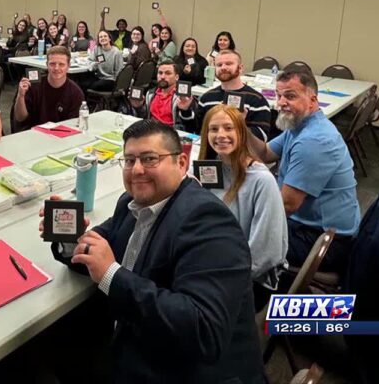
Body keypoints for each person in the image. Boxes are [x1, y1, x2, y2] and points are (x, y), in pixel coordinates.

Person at [43, 119, 265, 383]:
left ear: (181, 163)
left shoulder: (208, 221)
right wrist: (72, 238)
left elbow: (203, 333)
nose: (136, 169)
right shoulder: (132, 203)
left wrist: (111, 274)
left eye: (150, 159)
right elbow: (102, 246)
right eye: (129, 160)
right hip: (143, 338)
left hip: (185, 370)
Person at [247, 68, 360, 274]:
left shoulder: (314, 140)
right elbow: (264, 153)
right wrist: (241, 128)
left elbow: (286, 205)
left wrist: (243, 210)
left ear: (312, 100)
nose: (280, 103)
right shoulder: (299, 126)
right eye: (279, 95)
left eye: (290, 96)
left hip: (324, 241)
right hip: (309, 226)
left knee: (233, 237)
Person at [198, 105, 288, 310]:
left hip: (248, 279)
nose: (221, 135)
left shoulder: (261, 180)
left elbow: (265, 253)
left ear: (241, 132)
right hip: (215, 260)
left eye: (229, 128)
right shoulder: (209, 169)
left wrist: (220, 277)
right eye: (214, 129)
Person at [177, 50, 271, 140]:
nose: (223, 67)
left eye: (229, 64)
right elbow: (196, 130)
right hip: (211, 154)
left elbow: (262, 137)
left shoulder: (257, 100)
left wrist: (239, 123)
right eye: (219, 65)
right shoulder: (207, 98)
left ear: (240, 68)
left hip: (242, 155)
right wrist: (186, 110)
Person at [13, 46, 83, 131]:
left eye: (61, 64)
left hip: (62, 137)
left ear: (68, 66)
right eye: (52, 64)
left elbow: (73, 126)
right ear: (46, 65)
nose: (56, 68)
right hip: (33, 135)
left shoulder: (76, 93)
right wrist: (21, 96)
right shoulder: (33, 85)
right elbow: (20, 118)